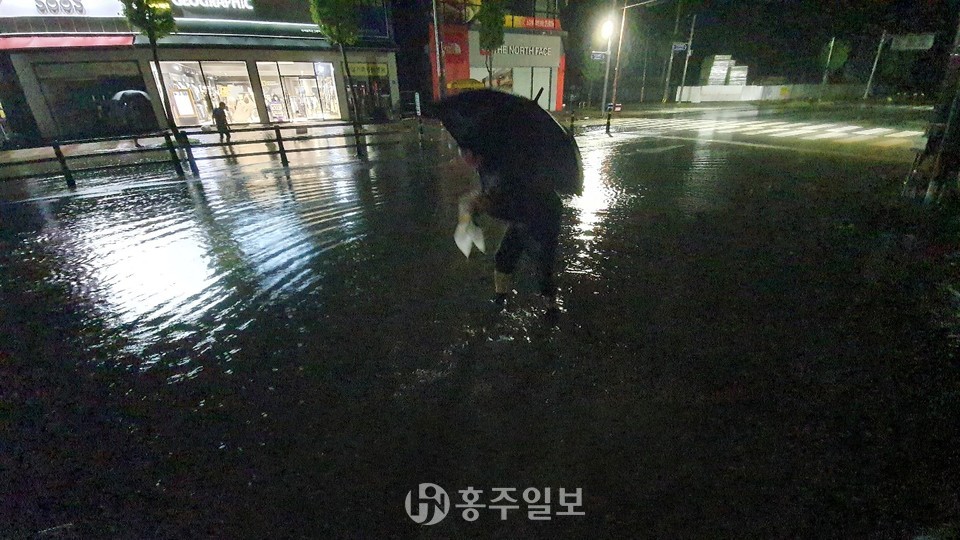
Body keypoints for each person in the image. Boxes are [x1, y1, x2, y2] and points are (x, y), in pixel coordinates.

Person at [460, 147, 563, 312]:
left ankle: (550, 304)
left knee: (543, 263)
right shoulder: (485, 166)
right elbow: (494, 194)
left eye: (466, 154)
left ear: (475, 154)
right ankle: (500, 300)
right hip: (522, 215)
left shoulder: (506, 167)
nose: (464, 158)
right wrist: (481, 205)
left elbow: (511, 204)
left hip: (543, 215)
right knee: (504, 256)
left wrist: (488, 206)